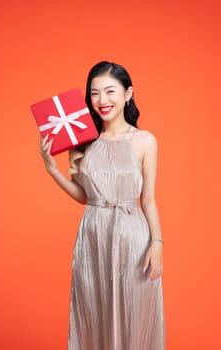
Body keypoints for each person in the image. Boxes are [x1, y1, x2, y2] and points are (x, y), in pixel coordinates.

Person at [40, 61, 165, 350]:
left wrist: (157, 242)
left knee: (134, 309)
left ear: (127, 93)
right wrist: (53, 171)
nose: (102, 100)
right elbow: (85, 196)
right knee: (94, 311)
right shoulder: (81, 143)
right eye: (94, 93)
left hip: (133, 236)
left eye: (110, 91)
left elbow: (147, 199)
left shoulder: (145, 141)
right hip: (93, 236)